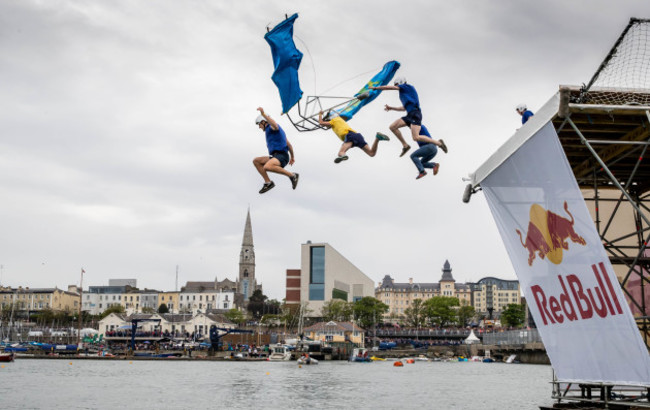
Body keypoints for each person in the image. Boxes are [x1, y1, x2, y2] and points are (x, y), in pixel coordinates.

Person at [370, 77, 447, 157]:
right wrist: (391, 108)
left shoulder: (407, 86)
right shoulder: (404, 93)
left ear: (401, 82)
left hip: (415, 114)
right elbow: (403, 108)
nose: (397, 86)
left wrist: (376, 88)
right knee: (392, 127)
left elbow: (391, 87)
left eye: (397, 84)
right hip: (409, 114)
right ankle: (405, 145)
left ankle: (439, 143)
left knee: (416, 137)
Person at [253, 107, 299, 194]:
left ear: (263, 122)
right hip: (275, 156)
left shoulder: (271, 127)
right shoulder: (275, 133)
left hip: (282, 155)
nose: (259, 127)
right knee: (256, 161)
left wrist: (263, 114)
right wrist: (292, 157)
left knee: (267, 167)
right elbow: (289, 145)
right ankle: (268, 182)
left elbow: (275, 125)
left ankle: (292, 175)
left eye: (259, 124)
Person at [318, 110, 390, 163]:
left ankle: (343, 156)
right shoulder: (340, 119)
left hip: (350, 136)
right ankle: (377, 138)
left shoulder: (333, 121)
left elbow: (321, 123)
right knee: (371, 153)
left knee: (340, 153)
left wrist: (320, 114)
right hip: (357, 136)